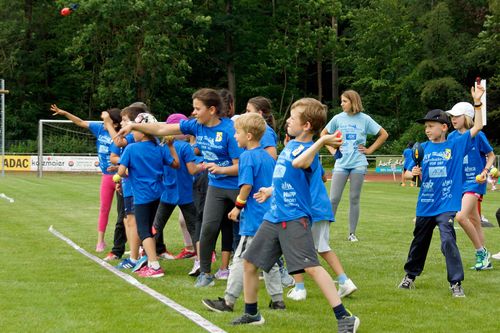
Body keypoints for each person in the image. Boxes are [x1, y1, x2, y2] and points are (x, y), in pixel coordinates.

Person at [230, 98, 359, 333]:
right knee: (250, 262)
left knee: (311, 267)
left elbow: (300, 163)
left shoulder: (309, 152)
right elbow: (285, 174)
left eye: (293, 117)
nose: (287, 120)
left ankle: (345, 317)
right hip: (274, 215)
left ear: (307, 125)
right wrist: (270, 190)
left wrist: (320, 141)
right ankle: (251, 314)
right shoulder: (289, 146)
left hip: (294, 218)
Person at [116, 88, 244, 287]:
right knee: (207, 228)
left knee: (246, 230)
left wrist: (220, 169)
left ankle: (273, 268)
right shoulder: (195, 126)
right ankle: (205, 273)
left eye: (197, 108)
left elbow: (240, 166)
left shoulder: (229, 130)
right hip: (216, 185)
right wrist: (132, 125)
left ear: (211, 110)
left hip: (236, 186)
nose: (193, 112)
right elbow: (162, 129)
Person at [398, 84, 485, 297]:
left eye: (431, 126)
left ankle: (456, 283)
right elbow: (407, 174)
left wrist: (477, 103)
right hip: (425, 205)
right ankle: (410, 276)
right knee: (419, 242)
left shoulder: (454, 145)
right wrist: (413, 173)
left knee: (448, 240)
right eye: (426, 127)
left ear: (444, 128)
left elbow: (478, 127)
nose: (427, 130)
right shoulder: (421, 148)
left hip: (446, 204)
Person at [202, 113, 284, 313]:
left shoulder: (247, 156)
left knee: (240, 258)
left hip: (255, 218)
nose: (234, 136)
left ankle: (228, 302)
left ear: (248, 136)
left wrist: (237, 207)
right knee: (268, 259)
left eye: (237, 133)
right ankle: (278, 300)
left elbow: (246, 186)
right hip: (271, 215)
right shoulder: (268, 156)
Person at [49, 104, 122, 252]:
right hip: (107, 177)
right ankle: (100, 241)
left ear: (115, 123)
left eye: (107, 119)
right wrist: (65, 113)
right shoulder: (100, 128)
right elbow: (80, 122)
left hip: (123, 176)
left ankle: (133, 245)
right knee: (104, 209)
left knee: (126, 213)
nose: (103, 121)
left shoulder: (122, 134)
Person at [321, 90, 388, 242]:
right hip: (341, 164)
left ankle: (352, 234)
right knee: (333, 199)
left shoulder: (365, 119)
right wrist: (332, 151)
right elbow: (323, 134)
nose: (341, 104)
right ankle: (324, 233)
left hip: (358, 163)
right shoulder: (338, 118)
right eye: (341, 101)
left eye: (344, 101)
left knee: (354, 198)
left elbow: (383, 134)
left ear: (353, 102)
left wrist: (370, 150)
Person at [117, 113, 179, 277]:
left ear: (143, 131)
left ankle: (154, 265)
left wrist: (127, 174)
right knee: (150, 228)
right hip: (157, 194)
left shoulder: (131, 148)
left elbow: (121, 172)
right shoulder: (160, 148)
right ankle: (149, 260)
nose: (133, 133)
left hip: (142, 195)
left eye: (135, 129)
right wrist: (171, 146)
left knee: (144, 230)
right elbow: (175, 164)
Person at [287, 161, 357, 301]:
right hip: (323, 207)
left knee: (294, 248)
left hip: (306, 209)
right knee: (323, 248)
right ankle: (345, 281)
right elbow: (324, 178)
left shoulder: (295, 159)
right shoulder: (313, 158)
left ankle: (299, 288)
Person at [446, 102, 495, 271]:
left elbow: (491, 155)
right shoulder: (451, 137)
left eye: (456, 116)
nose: (453, 119)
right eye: (452, 116)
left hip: (474, 183)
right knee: (474, 221)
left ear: (466, 117)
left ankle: (481, 252)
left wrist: (485, 171)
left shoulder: (478, 135)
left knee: (461, 217)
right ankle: (485, 261)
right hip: (459, 183)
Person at [153, 113, 204, 263]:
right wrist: (203, 166)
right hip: (185, 193)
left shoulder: (161, 147)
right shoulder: (186, 147)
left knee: (157, 226)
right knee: (194, 227)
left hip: (167, 192)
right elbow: (192, 170)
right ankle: (201, 260)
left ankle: (148, 255)